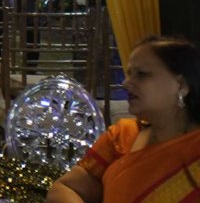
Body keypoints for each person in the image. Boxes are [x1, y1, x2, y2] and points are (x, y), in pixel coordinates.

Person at [46, 36, 200, 203]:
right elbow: (65, 188)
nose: (126, 83)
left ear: (181, 85)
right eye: (129, 74)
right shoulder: (123, 136)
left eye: (141, 74)